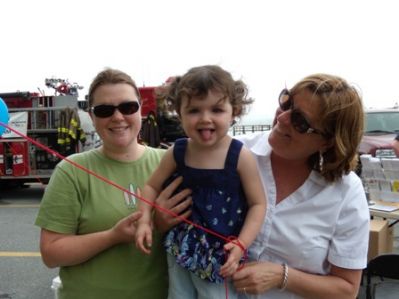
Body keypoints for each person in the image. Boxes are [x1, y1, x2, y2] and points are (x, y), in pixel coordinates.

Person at [155, 73, 370, 299]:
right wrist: (160, 220)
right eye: (286, 102)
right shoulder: (230, 153)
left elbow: (347, 289)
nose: (283, 118)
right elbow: (174, 210)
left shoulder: (346, 191)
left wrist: (281, 276)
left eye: (300, 122)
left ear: (328, 141)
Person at [35, 68, 174, 299]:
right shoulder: (71, 171)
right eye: (104, 110)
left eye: (128, 107)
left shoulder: (169, 163)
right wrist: (113, 236)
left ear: (141, 109)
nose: (118, 117)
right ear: (92, 116)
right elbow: (51, 253)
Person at [135, 65, 267, 299]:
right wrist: (145, 219)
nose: (205, 119)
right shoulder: (177, 151)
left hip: (221, 255)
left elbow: (258, 204)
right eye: (194, 110)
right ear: (179, 112)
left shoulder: (240, 156)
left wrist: (242, 244)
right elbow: (151, 186)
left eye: (217, 109)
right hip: (180, 249)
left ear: (233, 111)